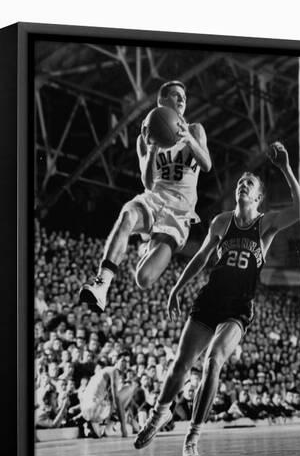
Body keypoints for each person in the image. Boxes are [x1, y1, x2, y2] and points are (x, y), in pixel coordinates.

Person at [134, 142, 300, 456]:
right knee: (181, 364)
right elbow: (200, 258)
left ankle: (192, 438)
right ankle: (158, 415)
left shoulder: (265, 225)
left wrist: (284, 168)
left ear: (258, 197)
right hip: (209, 299)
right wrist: (177, 288)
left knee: (213, 361)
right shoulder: (221, 222)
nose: (242, 184)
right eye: (240, 182)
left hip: (239, 308)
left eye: (249, 184)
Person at [79, 80, 212, 312]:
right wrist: (152, 152)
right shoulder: (145, 136)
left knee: (145, 279)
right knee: (128, 215)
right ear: (161, 101)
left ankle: (146, 247)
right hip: (154, 198)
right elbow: (148, 182)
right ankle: (102, 284)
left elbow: (207, 165)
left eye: (184, 96)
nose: (182, 99)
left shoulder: (195, 130)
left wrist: (189, 140)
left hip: (179, 211)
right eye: (175, 95)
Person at [79, 355, 134, 437]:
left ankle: (94, 424)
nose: (125, 364)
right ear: (116, 361)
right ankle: (111, 418)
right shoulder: (113, 371)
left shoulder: (104, 371)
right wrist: (123, 427)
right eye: (123, 361)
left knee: (98, 434)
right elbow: (116, 399)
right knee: (130, 387)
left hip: (87, 408)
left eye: (127, 362)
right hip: (93, 408)